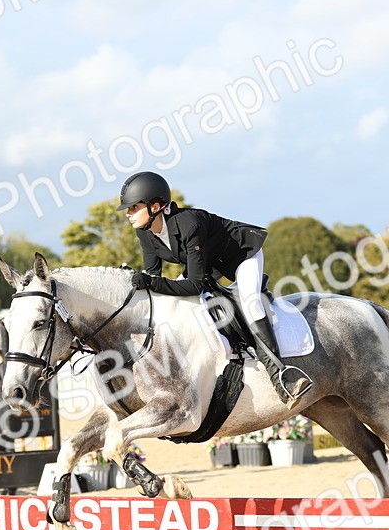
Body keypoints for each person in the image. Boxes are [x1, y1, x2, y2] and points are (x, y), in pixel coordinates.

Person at [117, 170, 312, 405]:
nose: (128, 214)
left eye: (133, 207)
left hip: (241, 255)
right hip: (208, 262)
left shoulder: (189, 225)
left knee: (250, 304)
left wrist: (151, 282)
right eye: (128, 209)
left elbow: (195, 284)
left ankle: (281, 375)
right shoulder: (145, 233)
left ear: (156, 206)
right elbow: (153, 276)